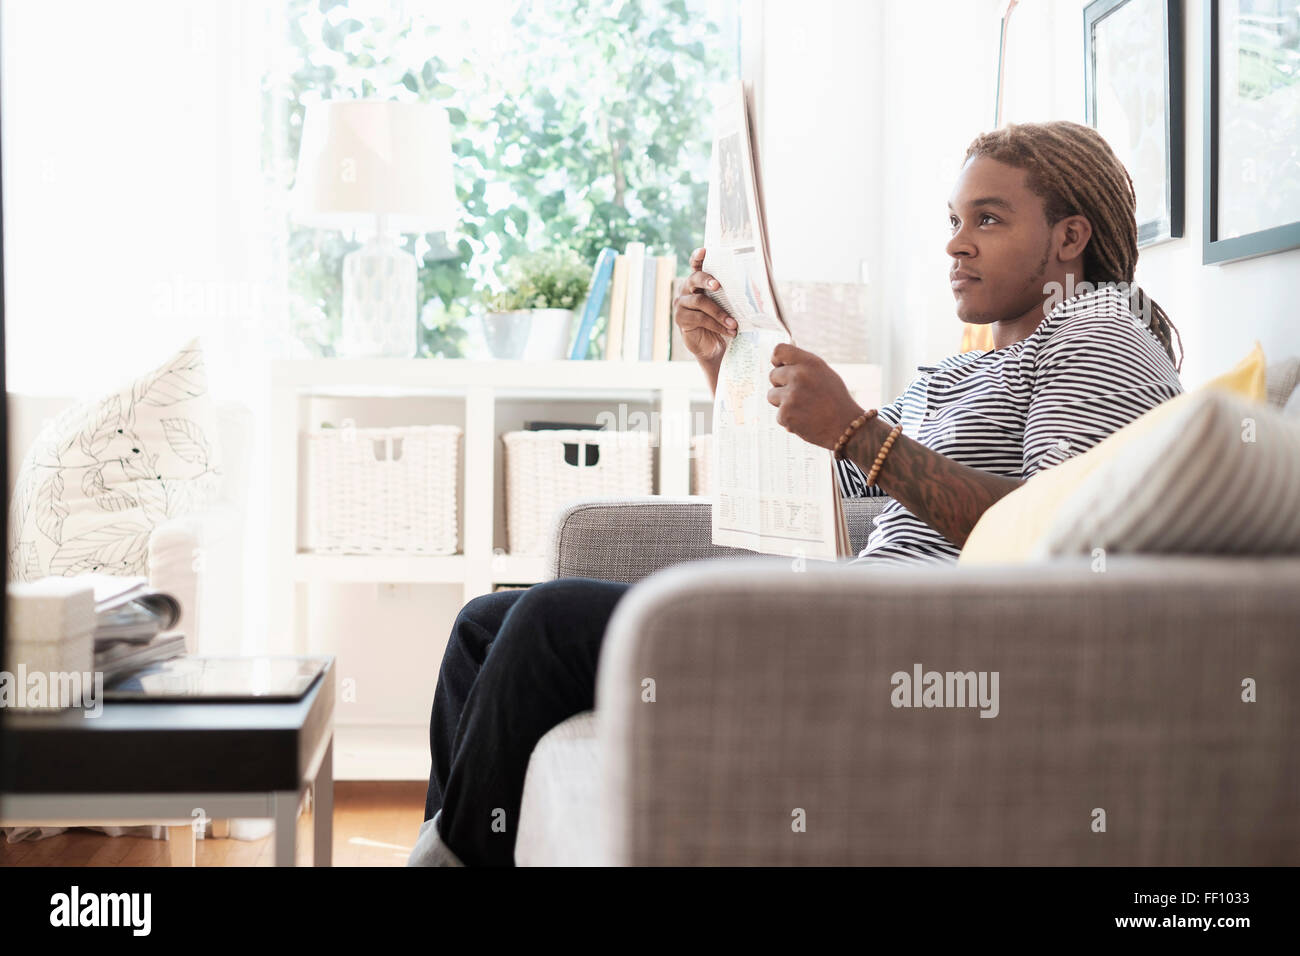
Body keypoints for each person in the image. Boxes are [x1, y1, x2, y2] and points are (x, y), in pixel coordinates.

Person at [408, 120, 1185, 866]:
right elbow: (835, 487)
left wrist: (857, 429)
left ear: (1070, 238)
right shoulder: (968, 366)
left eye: (988, 219)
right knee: (483, 625)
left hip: (928, 641)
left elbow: (1054, 528)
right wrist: (727, 366)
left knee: (547, 623)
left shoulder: (1099, 331)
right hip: (862, 605)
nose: (954, 243)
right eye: (954, 218)